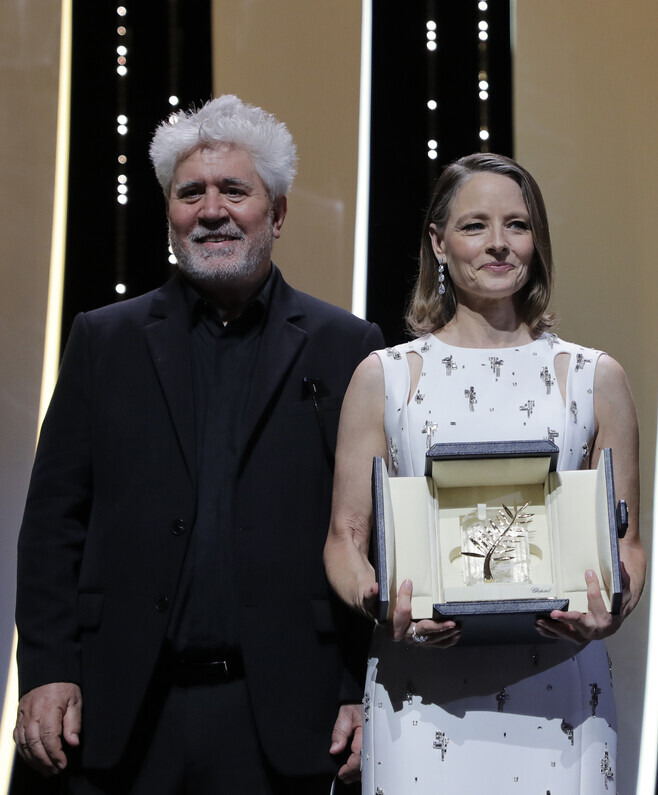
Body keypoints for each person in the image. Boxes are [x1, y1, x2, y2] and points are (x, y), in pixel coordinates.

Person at [13, 95, 384, 793]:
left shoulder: (348, 348)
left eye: (233, 191)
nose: (211, 209)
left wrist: (363, 684)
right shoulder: (104, 340)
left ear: (276, 213)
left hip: (285, 716)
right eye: (191, 193)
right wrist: (49, 667)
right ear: (170, 215)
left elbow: (374, 535)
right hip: (119, 712)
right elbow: (53, 522)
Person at [324, 152, 645, 793]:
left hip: (560, 685)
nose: (499, 244)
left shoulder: (595, 377)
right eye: (475, 226)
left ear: (538, 241)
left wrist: (610, 611)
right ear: (437, 243)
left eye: (517, 225)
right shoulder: (384, 377)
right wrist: (384, 605)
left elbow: (628, 546)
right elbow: (344, 539)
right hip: (421, 691)